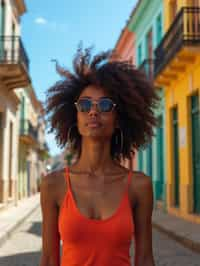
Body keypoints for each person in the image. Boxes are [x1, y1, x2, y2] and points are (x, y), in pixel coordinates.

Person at [39, 46, 160, 266]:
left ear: (119, 118)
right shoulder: (53, 185)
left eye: (104, 105)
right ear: (74, 116)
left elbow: (144, 258)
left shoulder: (139, 185)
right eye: (84, 105)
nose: (93, 111)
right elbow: (48, 259)